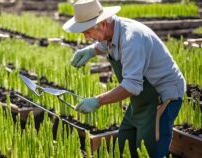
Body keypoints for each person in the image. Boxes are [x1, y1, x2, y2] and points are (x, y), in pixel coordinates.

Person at [62, 0, 186, 157]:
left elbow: (132, 86)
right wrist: (91, 51)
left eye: (87, 32)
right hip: (142, 97)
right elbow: (106, 43)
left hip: (163, 97)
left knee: (150, 150)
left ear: (102, 23)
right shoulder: (113, 29)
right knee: (125, 141)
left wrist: (97, 100)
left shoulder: (131, 38)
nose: (86, 37)